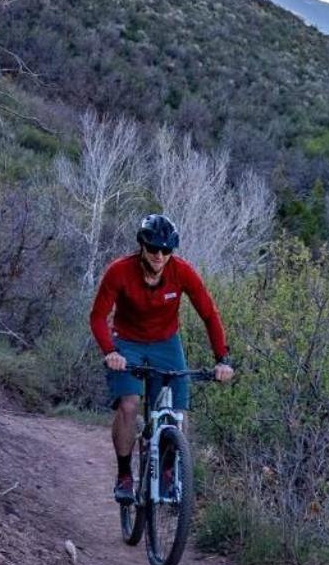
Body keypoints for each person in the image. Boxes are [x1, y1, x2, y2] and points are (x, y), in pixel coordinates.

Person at [90, 213, 235, 503]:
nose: (159, 255)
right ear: (142, 246)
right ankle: (124, 475)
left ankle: (168, 469)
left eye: (166, 250)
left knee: (178, 415)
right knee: (129, 405)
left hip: (166, 344)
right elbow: (97, 317)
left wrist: (222, 359)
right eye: (154, 248)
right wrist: (111, 352)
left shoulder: (182, 272)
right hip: (127, 342)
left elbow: (209, 313)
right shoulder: (119, 272)